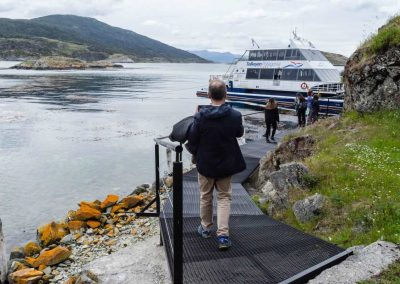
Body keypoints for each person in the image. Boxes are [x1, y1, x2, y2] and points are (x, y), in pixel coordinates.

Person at [188, 79, 246, 251]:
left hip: (205, 163)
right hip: (226, 163)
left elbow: (192, 140)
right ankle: (223, 235)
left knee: (205, 196)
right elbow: (239, 132)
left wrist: (195, 119)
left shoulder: (200, 116)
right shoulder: (235, 115)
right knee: (224, 197)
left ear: (208, 95)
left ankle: (205, 228)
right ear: (225, 94)